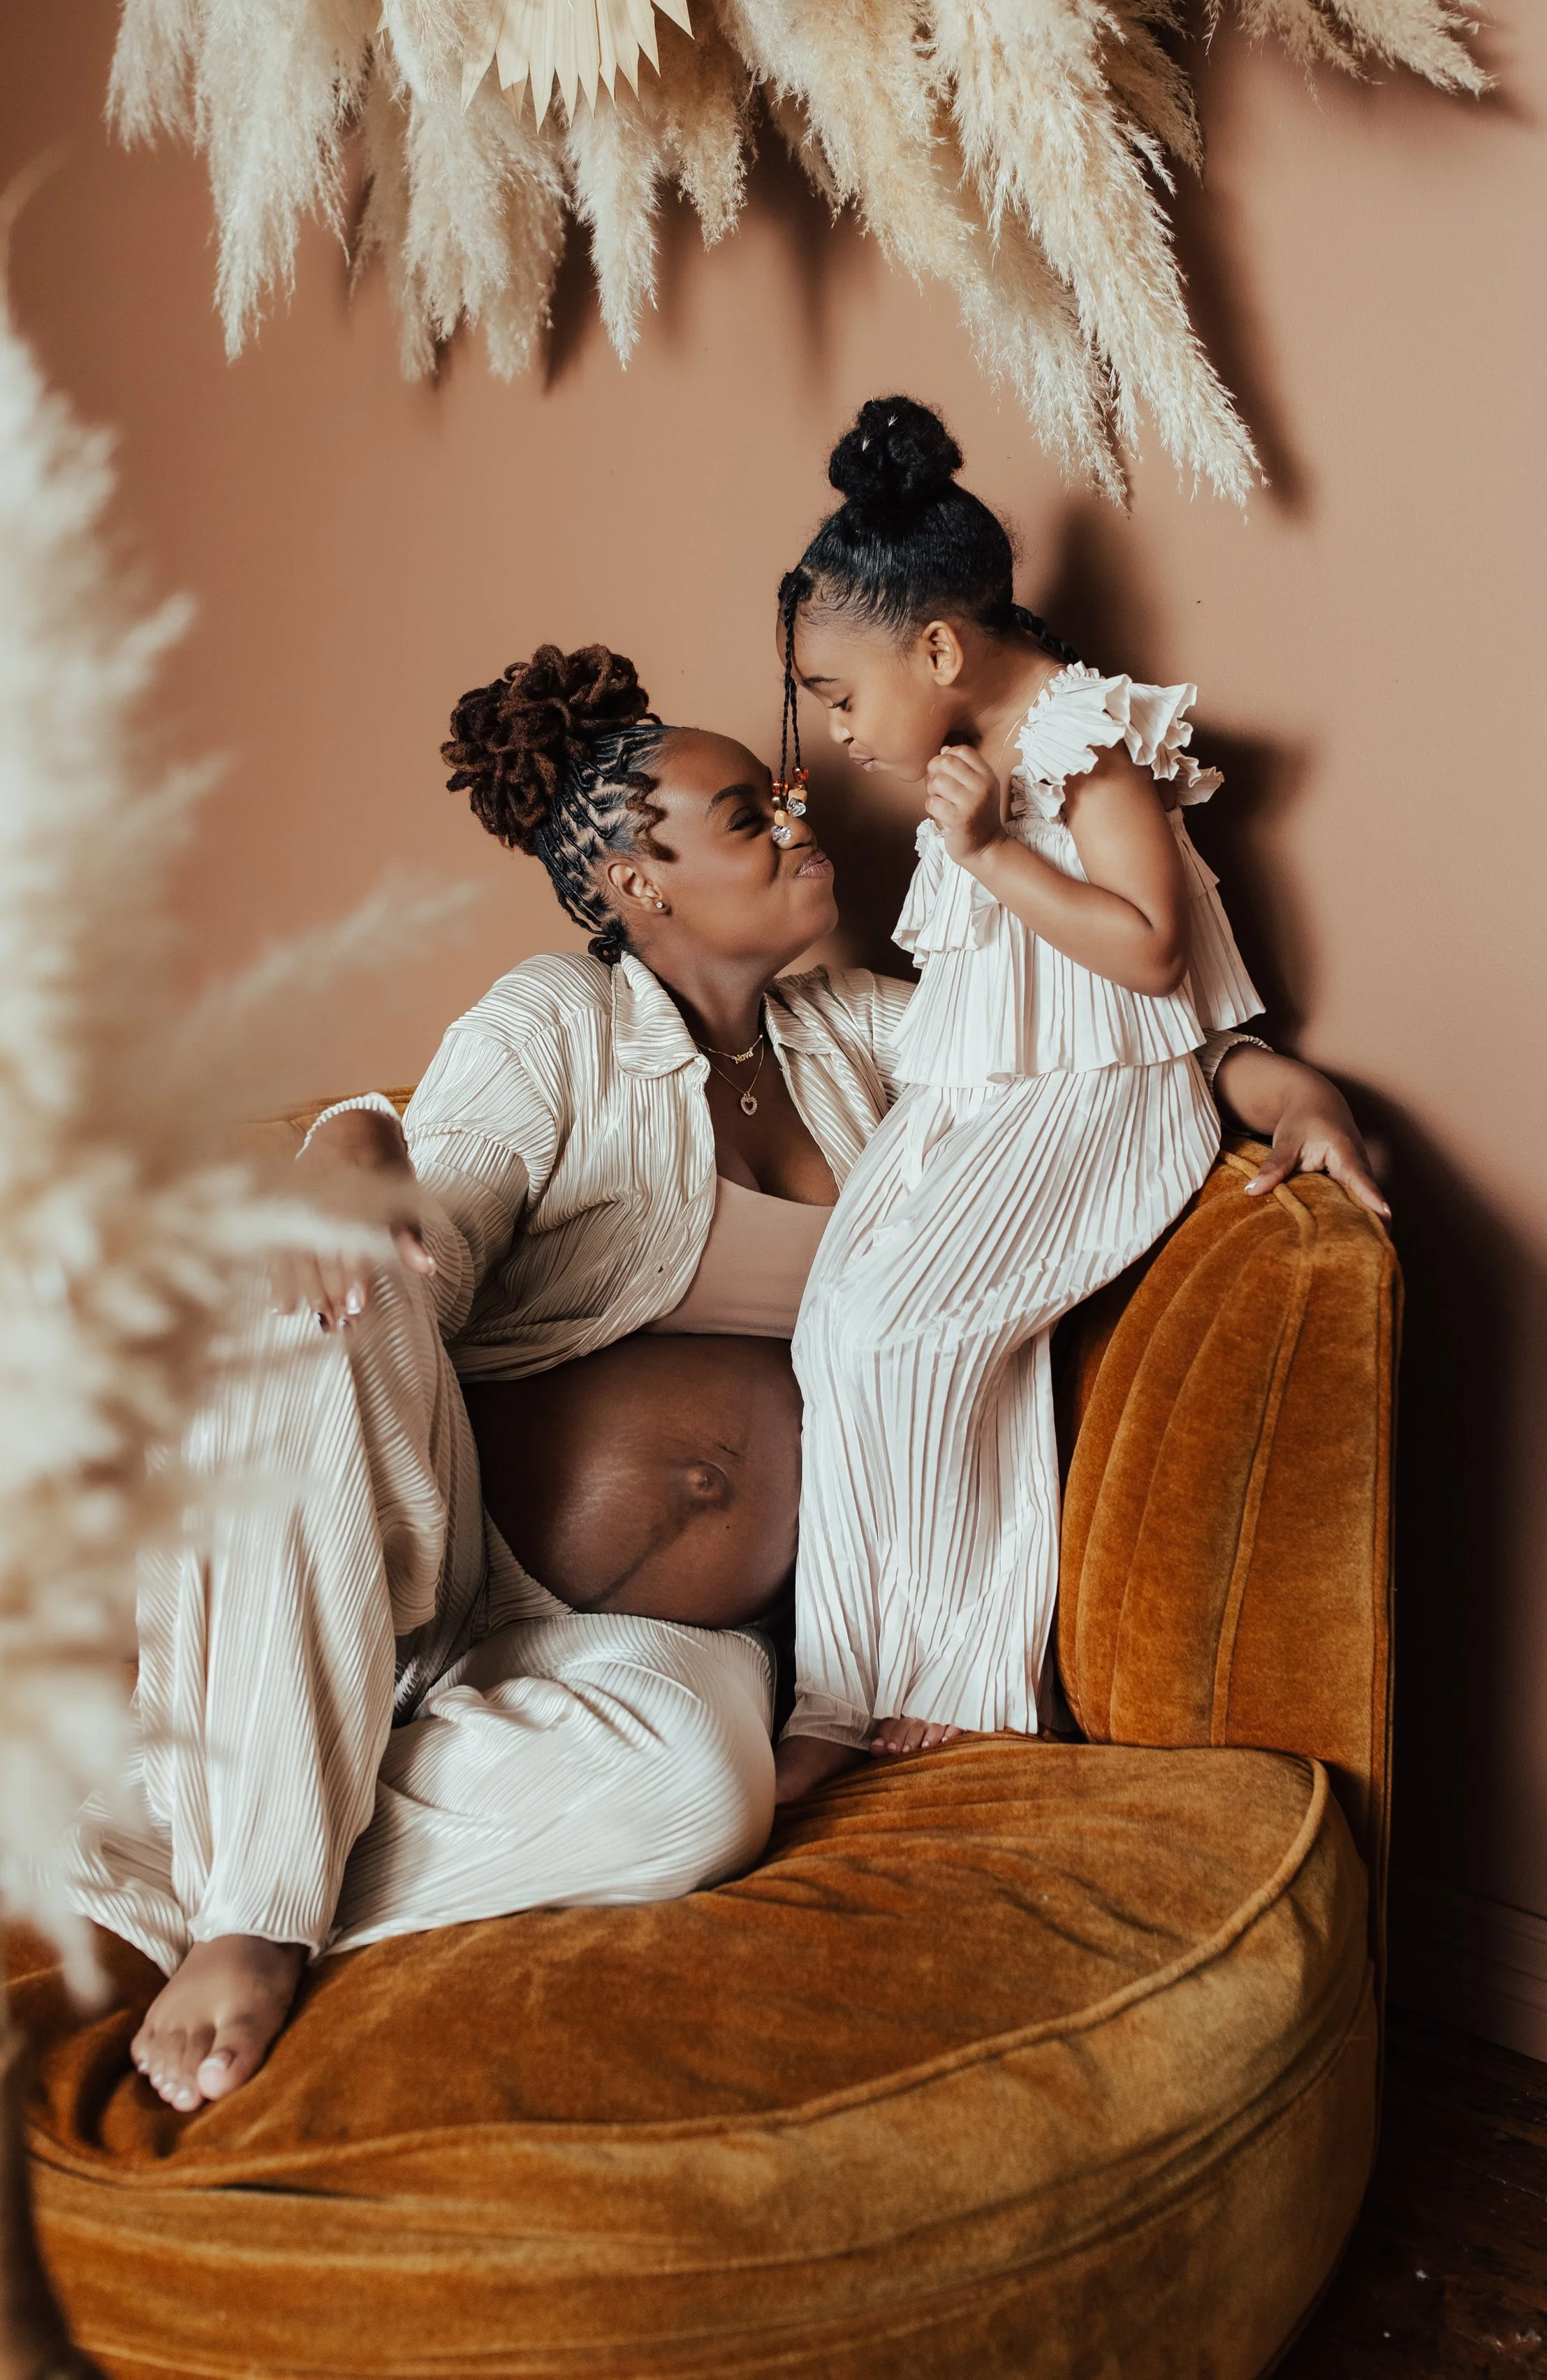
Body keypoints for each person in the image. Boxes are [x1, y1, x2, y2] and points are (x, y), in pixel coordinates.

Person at [75, 642, 1384, 2115]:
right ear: (641, 886)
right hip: (430, 1550)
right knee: (321, 1280)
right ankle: (253, 1915)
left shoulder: (867, 1036)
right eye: (745, 816)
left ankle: (246, 1803)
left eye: (783, 798)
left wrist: (1287, 1090)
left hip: (613, 1651)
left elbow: (1106, 1047)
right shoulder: (555, 1021)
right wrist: (352, 1150)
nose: (797, 819)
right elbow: (439, 1212)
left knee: (700, 1794)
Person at [769, 397, 1328, 1798]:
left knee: (908, 1338)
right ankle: (843, 1683)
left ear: (940, 647)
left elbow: (1148, 952)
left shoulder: (1081, 737)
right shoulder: (968, 763)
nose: (834, 731)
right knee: (840, 1333)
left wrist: (985, 850)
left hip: (1096, 1107)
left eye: (839, 694)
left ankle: (957, 1682)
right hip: (980, 1102)